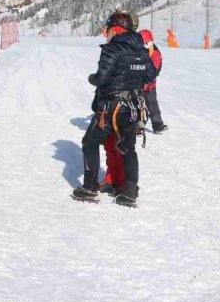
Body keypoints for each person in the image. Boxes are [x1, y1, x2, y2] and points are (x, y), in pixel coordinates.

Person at [72, 11, 158, 207]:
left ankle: (89, 187)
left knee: (89, 143)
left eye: (107, 30)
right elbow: (151, 75)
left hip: (111, 108)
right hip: (132, 107)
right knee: (129, 150)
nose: (106, 35)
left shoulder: (112, 49)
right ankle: (129, 192)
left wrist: (91, 78)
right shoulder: (141, 49)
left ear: (113, 29)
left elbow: (101, 79)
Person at [140, 29, 167, 133]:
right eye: (144, 44)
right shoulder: (138, 53)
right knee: (138, 105)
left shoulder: (155, 53)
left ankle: (157, 124)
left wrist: (148, 77)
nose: (147, 46)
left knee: (152, 104)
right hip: (138, 85)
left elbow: (156, 68)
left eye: (148, 43)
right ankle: (138, 126)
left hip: (150, 85)